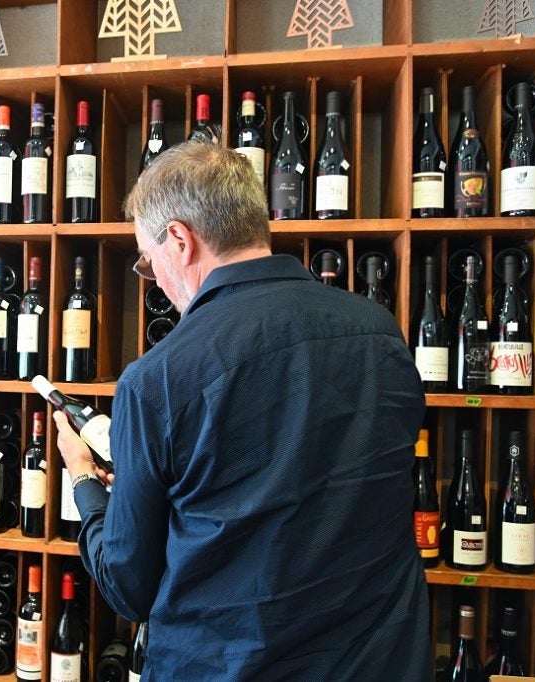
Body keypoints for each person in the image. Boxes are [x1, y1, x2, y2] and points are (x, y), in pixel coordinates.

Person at [53, 141, 431, 681]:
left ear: (179, 240)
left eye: (147, 258)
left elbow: (127, 587)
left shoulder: (157, 380)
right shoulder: (380, 332)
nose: (154, 279)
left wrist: (84, 480)